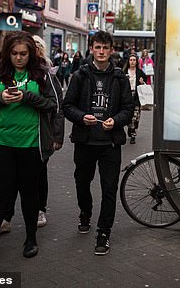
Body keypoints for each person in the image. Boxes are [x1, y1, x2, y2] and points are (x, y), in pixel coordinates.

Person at [0, 32, 59, 267]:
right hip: (0, 144)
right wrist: (0, 98)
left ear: (31, 54)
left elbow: (53, 105)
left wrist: (28, 97)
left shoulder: (41, 75)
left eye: (24, 54)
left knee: (30, 194)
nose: (19, 58)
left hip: (30, 145)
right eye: (15, 54)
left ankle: (30, 240)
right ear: (8, 54)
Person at [63, 31, 133, 255]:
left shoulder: (120, 78)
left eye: (105, 48)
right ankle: (85, 212)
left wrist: (117, 121)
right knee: (82, 183)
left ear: (111, 50)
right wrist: (82, 117)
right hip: (85, 141)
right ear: (91, 49)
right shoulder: (79, 76)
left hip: (110, 144)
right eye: (97, 48)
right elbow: (67, 106)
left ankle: (104, 232)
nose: (101, 52)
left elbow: (128, 109)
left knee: (109, 188)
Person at [0, 36, 64, 234]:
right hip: (10, 139)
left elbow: (57, 106)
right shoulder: (10, 71)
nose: (21, 55)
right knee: (12, 179)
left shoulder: (46, 74)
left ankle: (39, 210)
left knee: (37, 176)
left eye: (28, 50)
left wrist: (57, 136)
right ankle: (6, 215)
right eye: (16, 52)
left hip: (40, 135)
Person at [123, 53, 146, 144]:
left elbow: (144, 83)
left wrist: (142, 82)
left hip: (137, 97)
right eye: (131, 60)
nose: (132, 62)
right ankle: (132, 131)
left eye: (134, 60)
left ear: (136, 62)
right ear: (128, 61)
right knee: (129, 116)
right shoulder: (124, 71)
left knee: (136, 117)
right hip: (127, 97)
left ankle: (132, 130)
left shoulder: (140, 72)